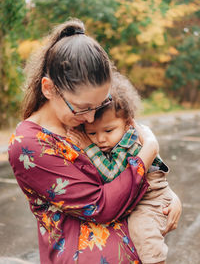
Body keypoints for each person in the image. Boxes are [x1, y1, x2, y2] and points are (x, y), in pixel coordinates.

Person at [8, 19, 181, 264]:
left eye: (99, 105)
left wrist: (168, 196)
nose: (91, 118)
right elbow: (101, 207)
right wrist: (149, 151)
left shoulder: (84, 122)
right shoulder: (29, 144)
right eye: (83, 108)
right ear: (48, 89)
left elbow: (126, 153)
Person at [69, 72, 176, 264]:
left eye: (108, 130)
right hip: (139, 194)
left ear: (127, 123)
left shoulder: (130, 141)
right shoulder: (114, 140)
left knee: (141, 229)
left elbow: (112, 174)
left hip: (150, 198)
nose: (101, 139)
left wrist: (89, 147)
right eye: (92, 133)